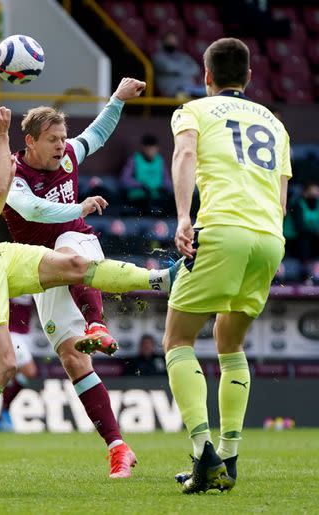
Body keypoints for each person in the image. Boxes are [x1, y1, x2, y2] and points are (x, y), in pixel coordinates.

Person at [0, 95, 182, 480]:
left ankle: (161, 279)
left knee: (73, 262)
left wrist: (117, 99)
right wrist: (1, 138)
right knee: (6, 365)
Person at [2, 78, 147, 478]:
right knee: (71, 356)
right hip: (39, 267)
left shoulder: (68, 156)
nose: (62, 145)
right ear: (30, 141)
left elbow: (97, 134)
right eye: (52, 139)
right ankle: (118, 447)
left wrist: (117, 100)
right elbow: (33, 211)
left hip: (78, 244)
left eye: (63, 137)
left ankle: (97, 323)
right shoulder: (13, 176)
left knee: (68, 251)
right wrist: (77, 205)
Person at [165, 37, 291, 494]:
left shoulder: (194, 111)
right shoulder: (275, 123)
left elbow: (184, 156)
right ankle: (230, 459)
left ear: (206, 76)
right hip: (268, 239)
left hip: (222, 229)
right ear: (250, 77)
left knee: (177, 339)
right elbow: (280, 197)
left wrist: (183, 217)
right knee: (229, 343)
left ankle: (203, 456)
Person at [0, 296, 38, 432]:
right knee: (30, 371)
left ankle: (2, 414)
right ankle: (3, 410)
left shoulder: (33, 278)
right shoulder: (9, 278)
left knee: (12, 375)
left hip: (25, 335)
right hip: (11, 334)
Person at [120, 133, 173, 215]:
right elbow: (125, 180)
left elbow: (167, 180)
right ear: (143, 148)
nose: (151, 152)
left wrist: (164, 187)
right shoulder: (134, 159)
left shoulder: (160, 160)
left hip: (157, 197)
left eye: (154, 149)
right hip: (139, 197)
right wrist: (141, 185)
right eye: (149, 149)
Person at [152, 32, 204, 98]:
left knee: (209, 93)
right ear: (163, 42)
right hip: (171, 90)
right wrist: (185, 68)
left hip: (189, 88)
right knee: (184, 96)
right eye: (169, 40)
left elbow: (196, 69)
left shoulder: (183, 56)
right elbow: (169, 67)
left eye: (174, 40)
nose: (172, 42)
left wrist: (179, 70)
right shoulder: (158, 57)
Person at [288, 182, 319, 282]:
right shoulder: (297, 204)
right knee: (305, 239)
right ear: (305, 193)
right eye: (312, 192)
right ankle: (305, 272)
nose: (315, 195)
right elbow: (299, 226)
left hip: (313, 238)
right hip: (294, 239)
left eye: (317, 192)